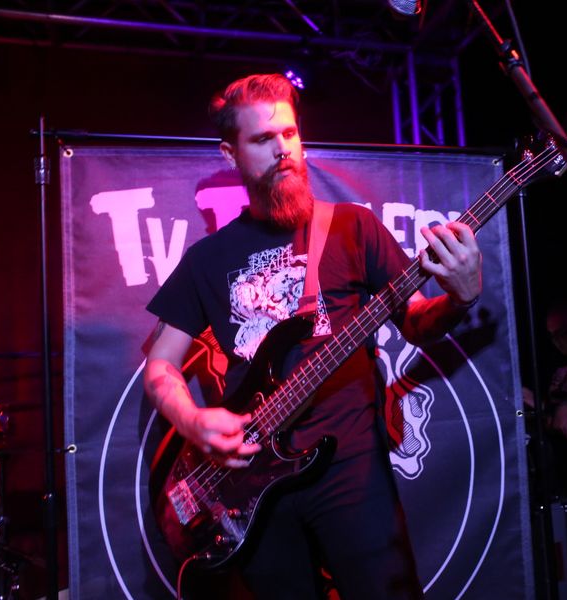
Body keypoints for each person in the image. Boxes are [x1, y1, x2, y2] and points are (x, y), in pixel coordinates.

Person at [142, 73, 482, 599]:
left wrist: (459, 296)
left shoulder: (352, 227)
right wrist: (193, 420)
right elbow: (160, 366)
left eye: (289, 133)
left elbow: (416, 321)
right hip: (250, 485)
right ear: (231, 154)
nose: (282, 149)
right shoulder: (206, 260)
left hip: (351, 471)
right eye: (262, 139)